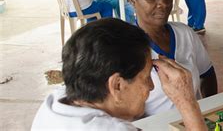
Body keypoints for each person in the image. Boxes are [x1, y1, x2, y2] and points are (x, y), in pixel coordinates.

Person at [31, 18, 207, 130]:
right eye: (146, 78)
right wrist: (186, 102)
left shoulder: (53, 103)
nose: (152, 87)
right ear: (117, 85)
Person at [125, 0, 217, 116]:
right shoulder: (124, 48)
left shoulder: (185, 34)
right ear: (132, 0)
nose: (163, 3)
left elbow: (207, 73)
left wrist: (210, 112)